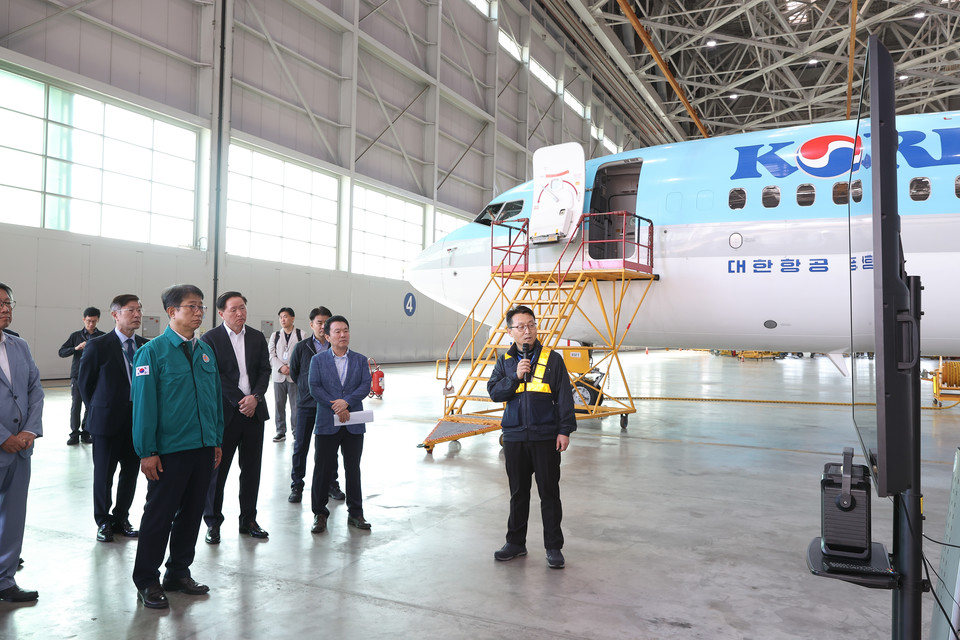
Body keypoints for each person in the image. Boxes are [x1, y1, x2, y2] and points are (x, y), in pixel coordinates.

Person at [131, 284, 223, 610]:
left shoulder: (205, 351)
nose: (199, 312)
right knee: (159, 515)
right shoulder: (152, 353)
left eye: (201, 307)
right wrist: (147, 451)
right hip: (168, 451)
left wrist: (215, 440)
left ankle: (178, 573)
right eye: (192, 307)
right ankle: (147, 580)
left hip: (202, 447)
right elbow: (143, 406)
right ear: (173, 312)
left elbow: (214, 402)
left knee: (192, 514)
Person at [487, 305, 576, 569]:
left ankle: (553, 547)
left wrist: (564, 430)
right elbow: (494, 392)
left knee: (549, 493)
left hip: (545, 436)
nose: (527, 331)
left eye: (531, 325)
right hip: (515, 437)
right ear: (510, 331)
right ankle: (515, 543)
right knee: (518, 493)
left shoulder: (553, 358)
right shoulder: (504, 361)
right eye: (521, 327)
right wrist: (514, 377)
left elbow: (563, 397)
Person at [201, 292, 271, 544]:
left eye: (243, 308)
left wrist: (255, 397)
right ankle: (213, 522)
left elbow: (265, 369)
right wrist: (240, 400)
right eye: (234, 309)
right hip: (226, 415)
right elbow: (214, 375)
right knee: (217, 472)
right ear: (221, 313)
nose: (240, 313)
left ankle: (248, 520)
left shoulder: (256, 336)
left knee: (251, 470)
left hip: (254, 413)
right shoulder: (210, 339)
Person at [78, 295, 147, 542]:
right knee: (104, 475)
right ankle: (103, 520)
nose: (137, 314)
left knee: (130, 473)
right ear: (115, 314)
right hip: (106, 423)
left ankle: (121, 518)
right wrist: (100, 408)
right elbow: (85, 386)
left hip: (137, 423)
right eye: (131, 310)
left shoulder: (146, 346)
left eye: (139, 310)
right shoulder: (98, 345)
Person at [308, 315, 371, 533]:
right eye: (337, 331)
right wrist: (335, 405)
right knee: (322, 469)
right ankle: (319, 514)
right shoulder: (318, 360)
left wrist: (347, 402)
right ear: (327, 336)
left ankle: (356, 513)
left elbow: (365, 386)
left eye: (346, 330)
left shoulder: (360, 360)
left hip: (354, 423)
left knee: (353, 468)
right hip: (327, 422)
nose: (343, 335)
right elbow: (314, 387)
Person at [0, 283, 43, 602]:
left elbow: (35, 391)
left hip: (22, 449)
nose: (5, 308)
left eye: (8, 302)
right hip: (4, 444)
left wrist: (29, 431)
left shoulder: (19, 345)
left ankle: (4, 580)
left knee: (13, 516)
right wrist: (4, 438)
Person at [287, 306, 343, 503]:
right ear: (311, 324)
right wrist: (306, 390)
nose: (322, 326)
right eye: (319, 323)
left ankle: (331, 483)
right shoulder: (302, 347)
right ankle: (297, 485)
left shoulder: (335, 347)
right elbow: (294, 372)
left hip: (329, 407)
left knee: (329, 448)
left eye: (326, 323)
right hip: (306, 406)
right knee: (300, 446)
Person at [59, 307, 105, 445]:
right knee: (76, 405)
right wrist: (76, 348)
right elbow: (61, 352)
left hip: (95, 377)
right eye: (89, 321)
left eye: (94, 321)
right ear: (84, 319)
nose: (91, 324)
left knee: (90, 405)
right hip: (77, 376)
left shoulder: (102, 336)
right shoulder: (75, 336)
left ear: (98, 320)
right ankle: (74, 434)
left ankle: (86, 432)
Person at [268, 307, 302, 442]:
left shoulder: (301, 334)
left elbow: (302, 355)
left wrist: (291, 368)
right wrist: (281, 367)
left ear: (292, 318)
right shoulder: (275, 335)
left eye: (286, 316)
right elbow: (271, 354)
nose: (283, 319)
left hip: (294, 377)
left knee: (296, 406)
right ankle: (280, 431)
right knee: (279, 405)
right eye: (281, 317)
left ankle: (296, 431)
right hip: (279, 376)